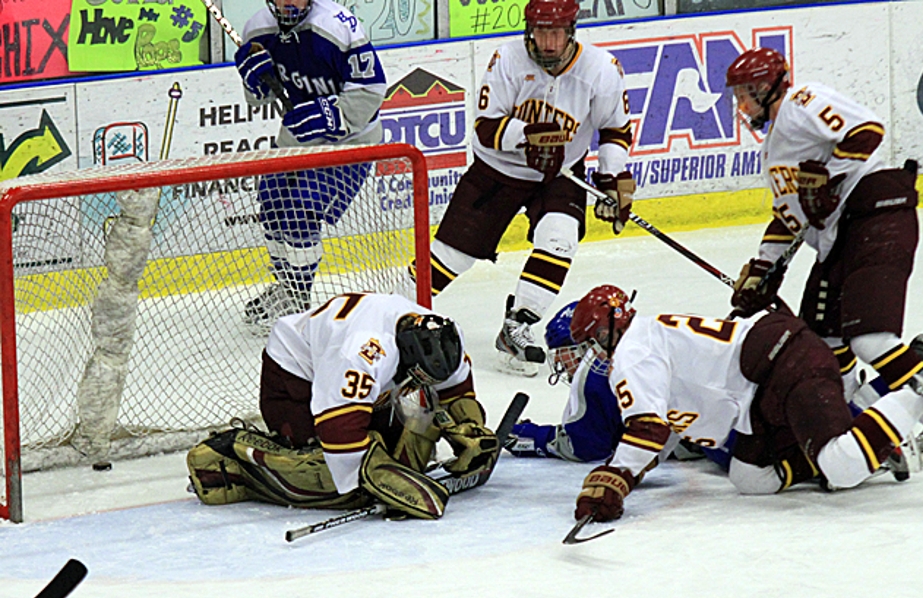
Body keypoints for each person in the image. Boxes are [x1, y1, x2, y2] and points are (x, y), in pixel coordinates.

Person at [724, 47, 923, 465]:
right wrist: (763, 270)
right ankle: (844, 416)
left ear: (773, 86)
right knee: (818, 343)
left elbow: (866, 130)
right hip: (841, 236)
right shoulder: (772, 150)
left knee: (869, 338)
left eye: (748, 92)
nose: (742, 103)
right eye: (737, 95)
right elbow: (790, 217)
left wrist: (830, 178)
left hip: (876, 214)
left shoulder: (800, 101)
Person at [567, 285, 923, 523]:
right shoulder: (649, 338)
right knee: (749, 478)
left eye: (591, 340)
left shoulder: (633, 352)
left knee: (841, 466)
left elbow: (647, 429)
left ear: (610, 325)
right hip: (759, 390)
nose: (593, 352)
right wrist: (626, 477)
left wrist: (615, 472)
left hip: (778, 362)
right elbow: (661, 433)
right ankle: (858, 432)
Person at [416, 0, 635, 377]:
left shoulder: (602, 69)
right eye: (541, 33)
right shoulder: (507, 59)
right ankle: (395, 311)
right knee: (450, 259)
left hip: (559, 175)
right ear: (529, 31)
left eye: (557, 33)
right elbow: (485, 128)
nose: (548, 43)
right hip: (496, 171)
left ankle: (517, 325)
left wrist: (611, 181)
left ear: (571, 31)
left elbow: (615, 129)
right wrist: (529, 137)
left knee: (560, 239)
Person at [186, 292, 499, 520]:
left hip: (348, 380)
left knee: (407, 437)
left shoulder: (440, 335)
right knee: (335, 482)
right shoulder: (363, 353)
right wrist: (376, 478)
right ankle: (233, 455)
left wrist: (471, 430)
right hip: (294, 379)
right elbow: (340, 434)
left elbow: (456, 391)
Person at [235, 0, 386, 331]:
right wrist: (253, 78)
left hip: (351, 140)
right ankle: (286, 285)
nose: (291, 2)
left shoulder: (337, 26)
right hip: (298, 136)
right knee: (272, 201)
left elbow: (372, 91)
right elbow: (259, 97)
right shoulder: (257, 28)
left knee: (301, 208)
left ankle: (298, 298)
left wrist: (330, 115)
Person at [507, 301, 732, 467]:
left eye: (565, 353)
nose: (562, 364)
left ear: (589, 343)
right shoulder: (652, 331)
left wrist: (527, 435)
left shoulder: (594, 372)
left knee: (748, 470)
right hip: (741, 381)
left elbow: (585, 446)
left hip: (724, 427)